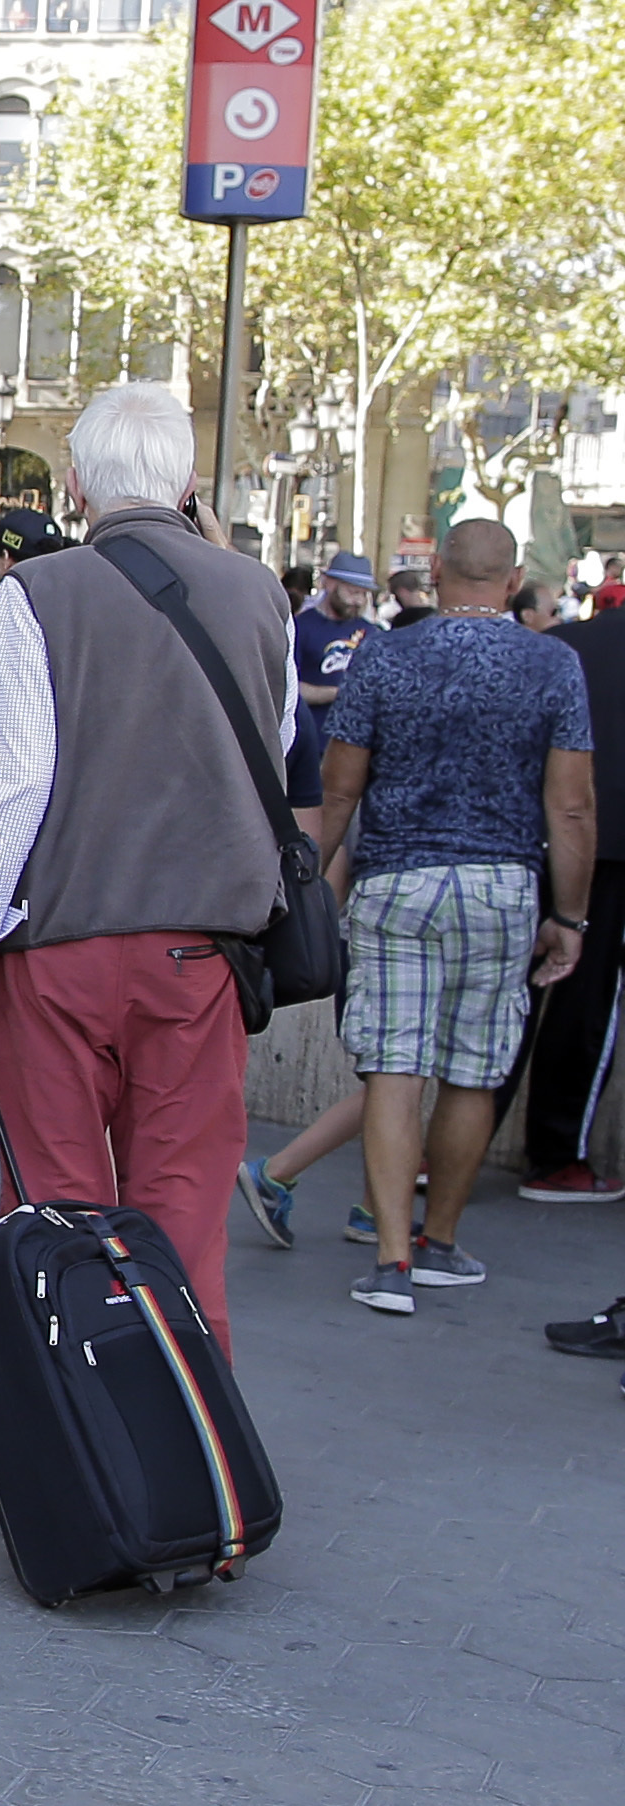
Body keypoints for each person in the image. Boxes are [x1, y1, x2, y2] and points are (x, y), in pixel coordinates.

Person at [0, 382, 296, 1357]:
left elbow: (4, 783)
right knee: (184, 1204)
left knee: (54, 1201)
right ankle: (186, 1405)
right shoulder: (259, 593)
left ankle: (66, 1399)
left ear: (74, 484)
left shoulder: (40, 592)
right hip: (201, 948)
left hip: (61, 942)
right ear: (189, 482)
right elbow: (273, 748)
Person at [310, 515, 592, 1313]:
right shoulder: (553, 663)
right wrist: (570, 917)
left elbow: (340, 786)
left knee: (394, 1068)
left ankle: (390, 1264)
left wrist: (309, 882)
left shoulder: (384, 655)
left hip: (397, 880)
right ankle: (439, 1243)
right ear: (513, 583)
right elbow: (571, 806)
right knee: (473, 1071)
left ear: (435, 574)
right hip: (502, 885)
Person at [523, 570, 625, 1202]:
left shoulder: (562, 646)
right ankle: (558, 1154)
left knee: (504, 999)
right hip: (606, 851)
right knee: (587, 1002)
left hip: (528, 836)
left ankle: (444, 1151)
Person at [289, 554, 375, 843]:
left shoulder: (372, 634)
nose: (358, 600)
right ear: (330, 583)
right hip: (312, 746)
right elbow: (290, 687)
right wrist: (341, 694)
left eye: (363, 593)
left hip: (356, 750)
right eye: (352, 591)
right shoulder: (300, 628)